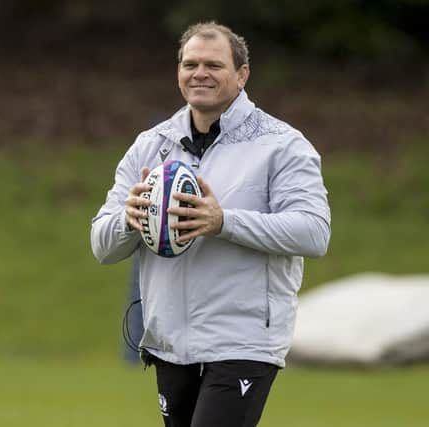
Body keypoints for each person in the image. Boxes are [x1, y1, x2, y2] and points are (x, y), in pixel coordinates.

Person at [90, 21, 331, 427]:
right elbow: (101, 246)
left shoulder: (282, 145)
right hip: (169, 342)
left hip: (242, 341)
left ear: (242, 75)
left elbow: (313, 231)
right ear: (179, 72)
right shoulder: (150, 145)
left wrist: (222, 222)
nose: (199, 73)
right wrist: (129, 221)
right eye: (190, 64)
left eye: (213, 65)